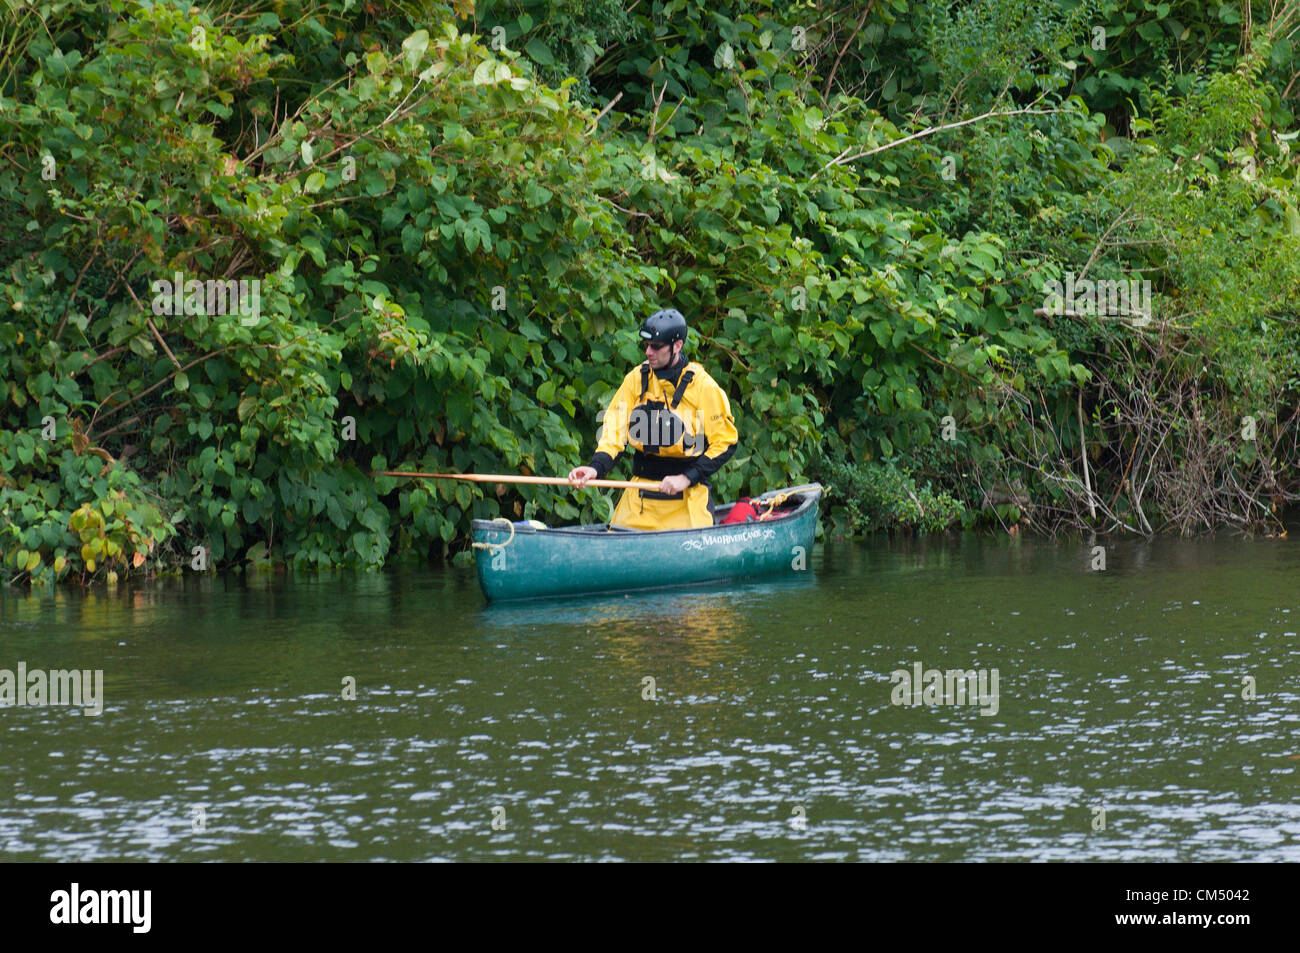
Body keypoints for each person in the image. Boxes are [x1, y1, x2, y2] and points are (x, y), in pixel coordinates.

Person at [567, 309, 738, 530]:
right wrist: (595, 468)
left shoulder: (703, 386)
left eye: (656, 347)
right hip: (639, 498)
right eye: (646, 345)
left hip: (686, 497)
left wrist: (686, 478)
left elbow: (726, 442)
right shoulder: (636, 379)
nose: (648, 352)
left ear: (677, 346)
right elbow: (614, 433)